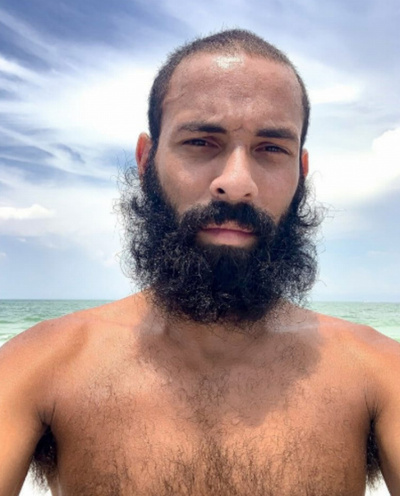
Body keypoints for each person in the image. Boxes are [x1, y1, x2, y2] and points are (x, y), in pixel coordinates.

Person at [1, 29, 399, 496]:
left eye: (272, 149)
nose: (237, 183)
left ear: (301, 173)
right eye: (200, 142)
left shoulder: (378, 372)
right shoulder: (39, 365)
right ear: (146, 160)